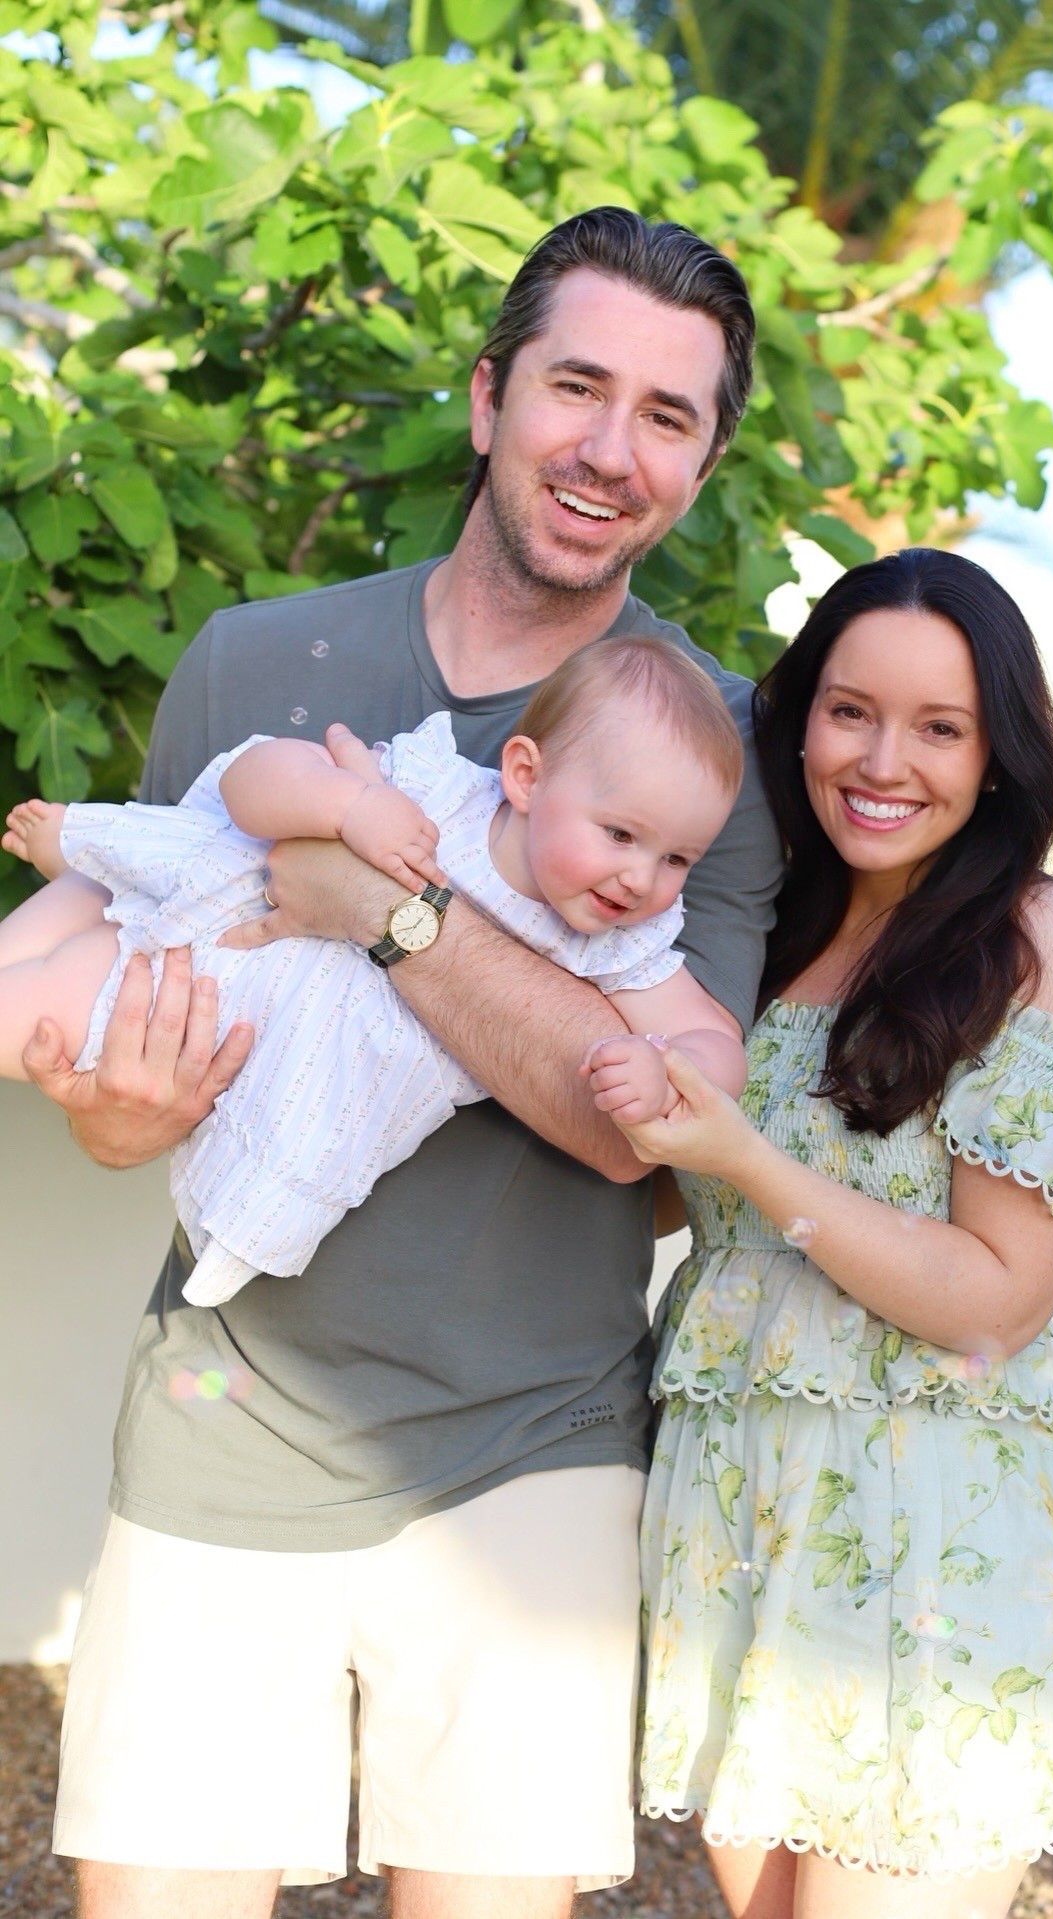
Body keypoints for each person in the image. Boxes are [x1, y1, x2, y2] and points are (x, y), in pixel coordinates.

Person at [42, 208, 782, 1919]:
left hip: (537, 1448)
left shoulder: (716, 752)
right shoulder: (257, 658)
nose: (611, 446)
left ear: (705, 460)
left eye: (668, 415)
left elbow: (646, 1131)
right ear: (485, 398)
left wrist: (386, 908)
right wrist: (110, 1107)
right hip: (223, 1423)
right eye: (576, 387)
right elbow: (150, 1033)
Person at [596, 549, 1053, 1919]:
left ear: (997, 755)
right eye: (851, 709)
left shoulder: (1030, 937)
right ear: (798, 715)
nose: (884, 759)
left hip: (937, 1554)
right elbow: (676, 1195)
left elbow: (999, 1299)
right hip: (745, 1526)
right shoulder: (752, 925)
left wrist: (741, 1149)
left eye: (940, 726)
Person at [1, 638, 747, 1307]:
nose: (641, 878)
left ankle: (79, 872)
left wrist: (662, 1070)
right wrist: (353, 804)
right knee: (92, 902)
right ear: (524, 776)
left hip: (218, 1007)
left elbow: (709, 1044)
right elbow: (250, 778)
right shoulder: (430, 790)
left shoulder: (618, 942)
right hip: (226, 903)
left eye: (678, 857)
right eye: (620, 834)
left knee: (30, 1011)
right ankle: (85, 853)